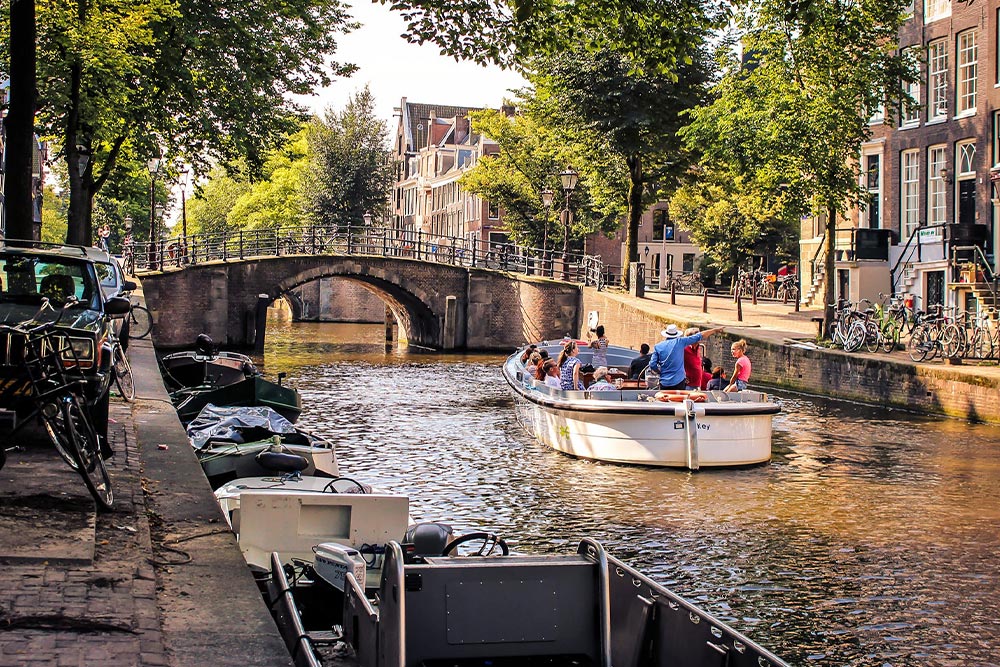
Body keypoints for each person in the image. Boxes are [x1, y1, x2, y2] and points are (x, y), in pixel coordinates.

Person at [648, 324, 724, 391]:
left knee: (665, 400)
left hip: (664, 381)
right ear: (676, 334)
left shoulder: (658, 346)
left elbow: (652, 364)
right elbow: (700, 335)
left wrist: (659, 372)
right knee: (679, 402)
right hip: (678, 381)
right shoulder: (680, 342)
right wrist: (715, 330)